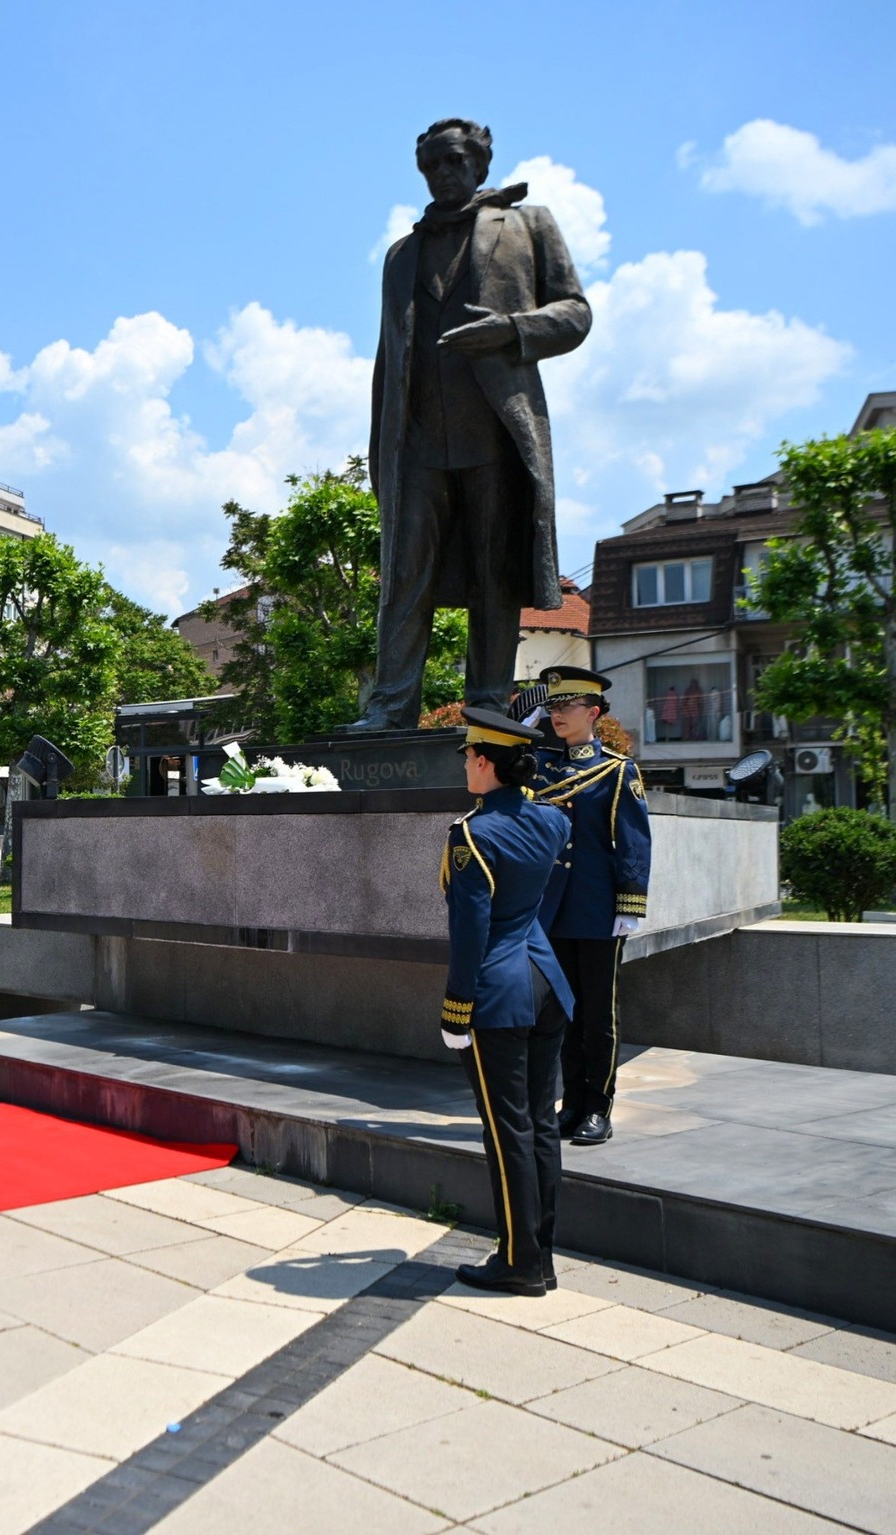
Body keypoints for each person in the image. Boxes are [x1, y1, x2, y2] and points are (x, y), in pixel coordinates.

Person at [353, 118, 591, 728]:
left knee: (495, 572)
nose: (443, 174)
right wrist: (382, 452)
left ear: (480, 164)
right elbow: (389, 360)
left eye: (454, 161)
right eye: (432, 165)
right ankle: (390, 705)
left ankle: (488, 705)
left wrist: (510, 331)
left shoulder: (528, 223)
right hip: (417, 444)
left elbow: (575, 314)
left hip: (495, 434)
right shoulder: (401, 254)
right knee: (404, 577)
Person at [441, 707, 575, 1296]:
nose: (467, 764)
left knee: (507, 1131)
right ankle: (540, 1255)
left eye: (472, 756)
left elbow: (470, 933)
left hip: (498, 991)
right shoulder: (552, 822)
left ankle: (519, 1262)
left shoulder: (471, 834)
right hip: (546, 981)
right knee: (539, 1125)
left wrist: (456, 1008)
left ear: (488, 764)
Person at [530, 666, 650, 1147]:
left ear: (593, 713)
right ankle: (571, 1103)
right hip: (552, 912)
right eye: (553, 706)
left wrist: (631, 903)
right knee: (562, 1012)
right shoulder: (540, 768)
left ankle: (598, 1107)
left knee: (598, 1015)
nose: (557, 714)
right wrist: (527, 719)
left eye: (567, 707)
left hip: (599, 912)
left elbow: (634, 842)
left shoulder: (618, 771)